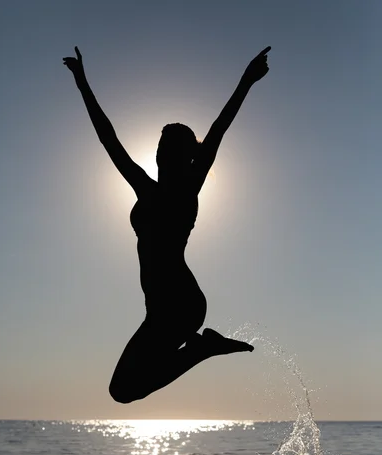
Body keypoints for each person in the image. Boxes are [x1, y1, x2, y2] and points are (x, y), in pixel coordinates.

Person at [63, 45, 271, 404]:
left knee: (123, 390)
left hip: (179, 305)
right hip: (162, 307)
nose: (159, 153)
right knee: (123, 388)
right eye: (159, 147)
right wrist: (82, 83)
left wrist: (246, 81)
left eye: (167, 149)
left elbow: (218, 129)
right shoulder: (147, 188)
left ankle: (202, 350)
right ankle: (203, 349)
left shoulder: (182, 189)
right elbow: (109, 140)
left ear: (181, 156)